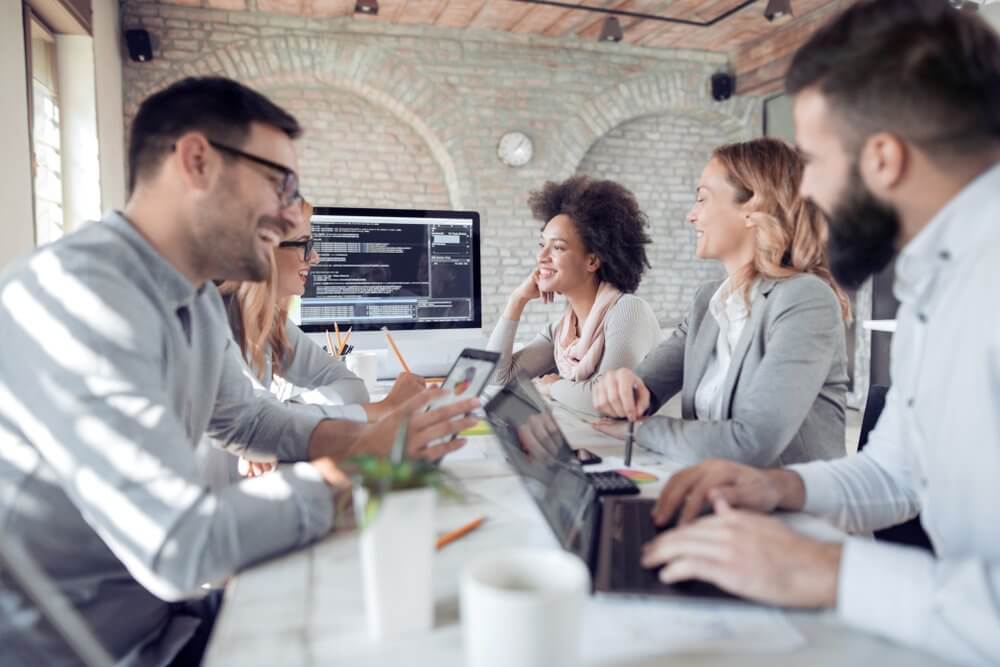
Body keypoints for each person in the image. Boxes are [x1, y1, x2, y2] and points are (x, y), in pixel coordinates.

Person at [0, 76, 478, 666]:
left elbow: (250, 419)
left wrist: (392, 438)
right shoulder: (83, 299)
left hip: (158, 623)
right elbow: (180, 548)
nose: (289, 213)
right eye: (281, 183)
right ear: (197, 161)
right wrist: (360, 465)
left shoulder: (194, 297)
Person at [637, 2, 1000, 663]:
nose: (804, 192)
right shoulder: (934, 280)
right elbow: (896, 472)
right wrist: (781, 488)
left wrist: (828, 571)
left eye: (813, 162)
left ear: (884, 158)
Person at [593, 137, 851, 467]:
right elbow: (638, 392)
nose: (691, 215)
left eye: (702, 199)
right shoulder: (709, 303)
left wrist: (641, 429)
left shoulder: (805, 300)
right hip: (717, 492)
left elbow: (750, 443)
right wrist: (616, 390)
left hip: (788, 509)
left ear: (752, 210)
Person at [201, 198, 425, 483]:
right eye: (304, 243)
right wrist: (381, 410)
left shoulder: (270, 321)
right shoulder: (210, 320)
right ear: (264, 250)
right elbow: (261, 426)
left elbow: (353, 388)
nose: (315, 257)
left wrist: (288, 414)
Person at [487, 176, 661, 415]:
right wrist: (516, 300)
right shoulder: (562, 332)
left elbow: (604, 402)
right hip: (591, 442)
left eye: (557, 247)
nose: (542, 257)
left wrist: (553, 386)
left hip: (634, 449)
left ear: (592, 260)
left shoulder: (629, 311)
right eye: (542, 245)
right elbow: (498, 378)